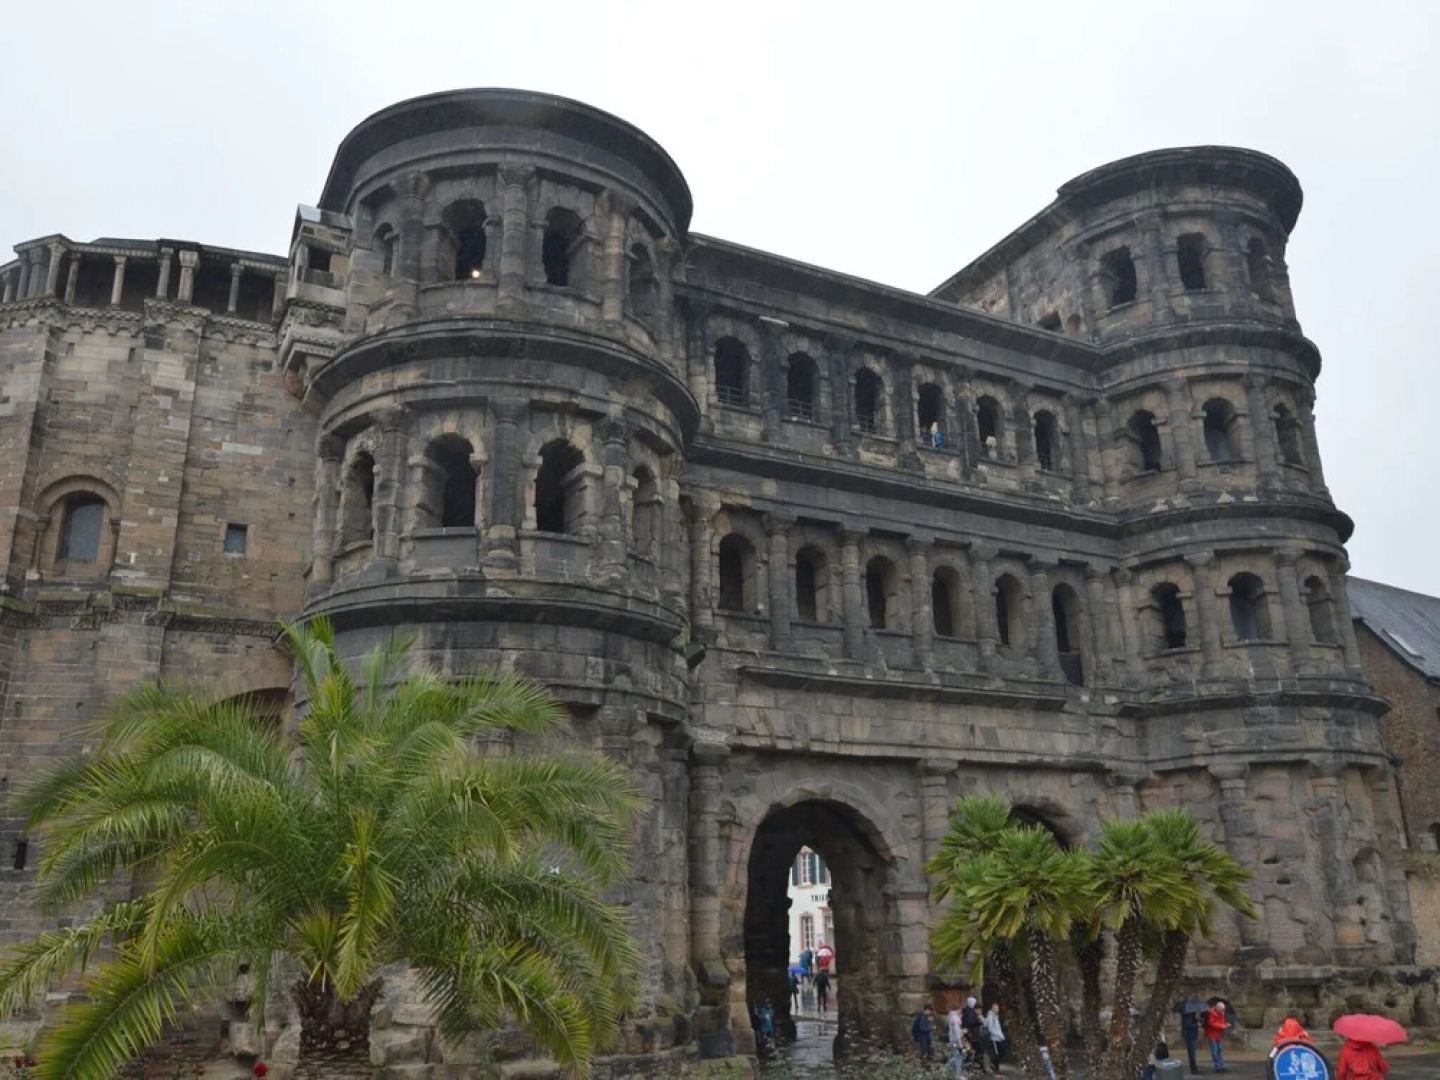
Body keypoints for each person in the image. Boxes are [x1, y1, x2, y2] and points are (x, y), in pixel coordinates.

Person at [1202, 1001, 1229, 1072]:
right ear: (1217, 1008)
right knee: (1214, 1051)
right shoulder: (1211, 1013)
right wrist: (1222, 1026)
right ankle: (1218, 1066)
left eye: (1223, 1010)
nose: (1223, 1011)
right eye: (1222, 1010)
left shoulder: (1222, 1013)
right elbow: (1211, 1023)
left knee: (1219, 1050)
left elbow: (1222, 1022)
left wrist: (1226, 1024)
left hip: (1218, 1034)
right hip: (1212, 1034)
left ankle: (1221, 1065)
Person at [984, 1002, 1007, 1073]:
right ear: (992, 1008)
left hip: (998, 1038)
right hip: (994, 1038)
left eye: (997, 1008)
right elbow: (991, 1029)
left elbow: (998, 1027)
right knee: (997, 1053)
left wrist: (1001, 1035)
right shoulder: (991, 1017)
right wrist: (998, 1035)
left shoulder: (995, 1016)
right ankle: (995, 1067)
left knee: (1001, 1052)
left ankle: (995, 1066)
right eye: (995, 1008)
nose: (997, 1010)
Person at [948, 1005, 968, 1079]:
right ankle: (958, 1075)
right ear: (958, 1009)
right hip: (956, 1040)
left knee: (957, 1056)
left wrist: (961, 1031)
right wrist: (960, 1042)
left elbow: (955, 1030)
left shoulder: (951, 1017)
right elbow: (956, 1031)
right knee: (959, 1057)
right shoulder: (955, 1018)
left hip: (953, 1039)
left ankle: (956, 1074)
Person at [1180, 1009, 1201, 1075]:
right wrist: (1197, 1024)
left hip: (1191, 1035)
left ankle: (1194, 1068)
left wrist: (1196, 1020)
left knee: (1192, 1053)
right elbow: (1189, 1024)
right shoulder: (1188, 1015)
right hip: (1190, 1035)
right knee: (1192, 1053)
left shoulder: (1190, 1014)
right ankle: (1193, 1069)